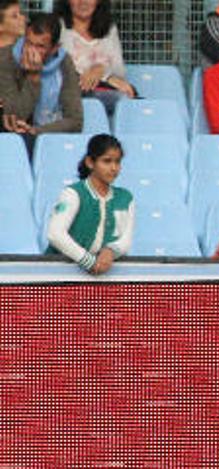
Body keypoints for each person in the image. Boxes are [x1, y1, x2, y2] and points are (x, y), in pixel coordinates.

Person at [46, 133, 132, 274]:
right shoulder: (73, 194)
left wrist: (111, 251)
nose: (113, 168)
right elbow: (55, 234)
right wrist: (88, 261)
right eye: (107, 161)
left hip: (102, 275)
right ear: (90, 162)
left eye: (117, 162)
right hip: (60, 274)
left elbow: (125, 239)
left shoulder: (125, 198)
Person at [0, 13, 83, 148]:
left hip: (48, 137)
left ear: (54, 48)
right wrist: (33, 79)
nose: (30, 51)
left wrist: (37, 131)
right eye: (28, 43)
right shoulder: (4, 59)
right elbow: (14, 116)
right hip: (13, 140)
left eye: (40, 46)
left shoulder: (64, 62)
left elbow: (75, 121)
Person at [53, 0, 134, 111]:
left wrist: (101, 70)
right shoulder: (57, 28)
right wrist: (103, 77)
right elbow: (57, 67)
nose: (83, 2)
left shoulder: (109, 29)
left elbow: (119, 70)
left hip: (104, 93)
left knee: (127, 95)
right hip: (69, 94)